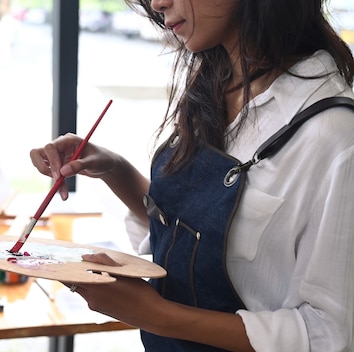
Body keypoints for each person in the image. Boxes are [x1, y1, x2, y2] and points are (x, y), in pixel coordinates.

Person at [28, 0, 354, 351]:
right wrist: (115, 170)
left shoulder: (335, 136)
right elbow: (192, 232)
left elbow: (329, 333)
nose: (157, 3)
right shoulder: (216, 85)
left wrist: (157, 315)